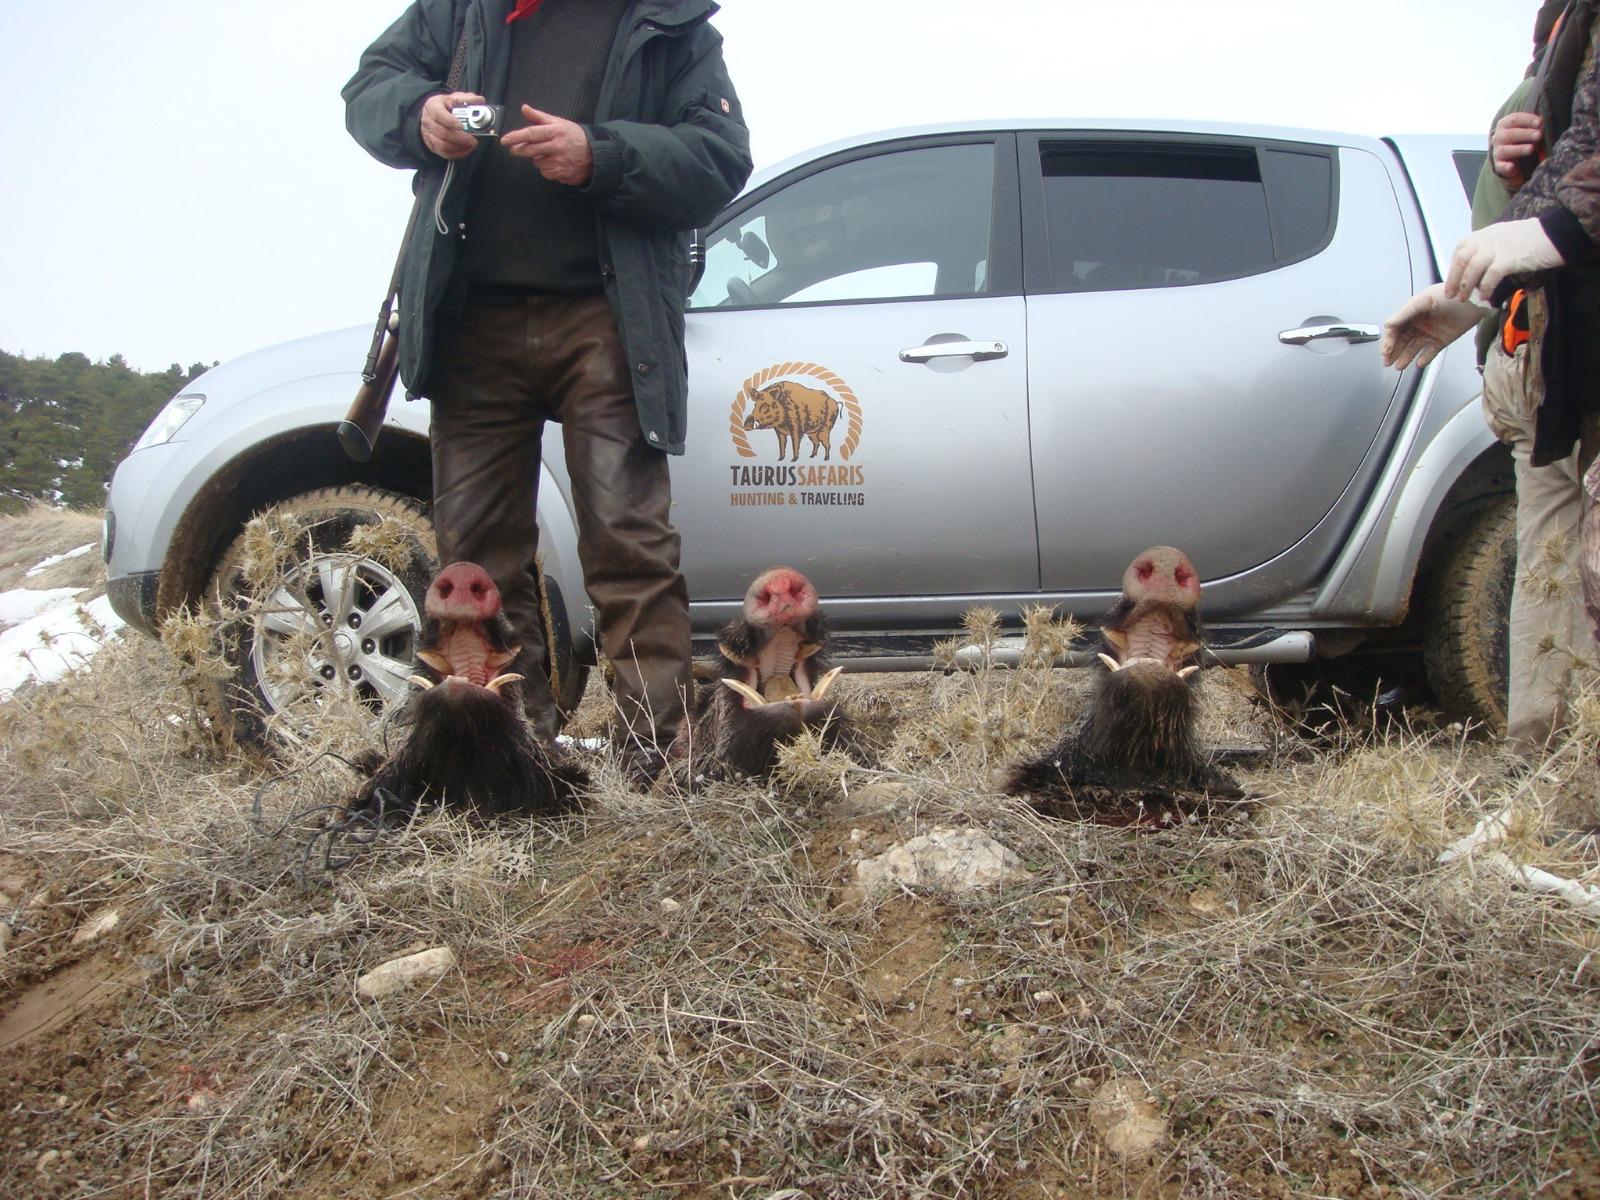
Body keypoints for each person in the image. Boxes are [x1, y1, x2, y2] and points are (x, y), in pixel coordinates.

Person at [343, 0, 752, 782]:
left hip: (607, 324)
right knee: (476, 566)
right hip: (472, 323)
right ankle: (510, 761)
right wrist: (419, 117)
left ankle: (655, 762)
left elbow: (719, 158)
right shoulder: (459, 10)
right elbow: (371, 87)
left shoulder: (670, 22)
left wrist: (600, 154)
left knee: (629, 545)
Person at [1382, 0, 1600, 754]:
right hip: (1552, 361)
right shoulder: (1558, 31)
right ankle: (1543, 774)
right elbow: (1561, 179)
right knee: (1546, 575)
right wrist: (1470, 296)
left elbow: (1568, 211)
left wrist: (1549, 227)